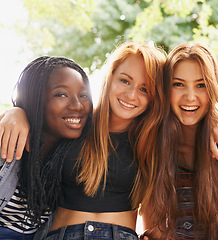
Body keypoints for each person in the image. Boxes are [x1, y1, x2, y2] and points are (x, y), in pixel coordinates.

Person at [35, 42, 166, 240]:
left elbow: (153, 222)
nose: (131, 95)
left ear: (154, 97)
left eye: (144, 89)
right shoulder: (74, 121)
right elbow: (34, 119)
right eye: (125, 81)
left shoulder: (152, 142)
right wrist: (15, 113)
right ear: (110, 77)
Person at [141, 42, 218, 240]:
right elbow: (154, 229)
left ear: (214, 87)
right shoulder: (155, 145)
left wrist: (217, 111)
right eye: (178, 84)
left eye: (201, 85)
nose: (190, 97)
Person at [0, 56, 92, 239]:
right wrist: (15, 111)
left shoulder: (79, 155)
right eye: (61, 94)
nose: (77, 105)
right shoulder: (8, 140)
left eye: (83, 95)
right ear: (34, 99)